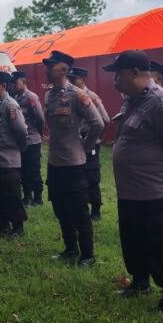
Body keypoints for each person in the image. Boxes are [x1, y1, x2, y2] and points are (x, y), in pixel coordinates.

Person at [103, 50, 163, 312]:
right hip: (131, 192)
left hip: (157, 193)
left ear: (134, 73)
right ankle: (140, 282)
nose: (114, 81)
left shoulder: (162, 103)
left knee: (162, 244)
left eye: (117, 75)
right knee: (134, 241)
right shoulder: (132, 102)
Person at [42, 50, 104, 267]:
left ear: (63, 70)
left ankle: (87, 255)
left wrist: (86, 148)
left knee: (79, 210)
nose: (47, 70)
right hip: (55, 162)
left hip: (74, 163)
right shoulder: (49, 95)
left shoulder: (78, 95)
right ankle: (70, 248)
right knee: (60, 208)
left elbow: (98, 123)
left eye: (51, 67)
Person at [0, 70, 29, 236]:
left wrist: (19, 149)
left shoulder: (11, 105)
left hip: (6, 161)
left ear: (2, 85)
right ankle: (3, 223)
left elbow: (21, 131)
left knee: (11, 196)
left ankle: (18, 227)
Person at [67, 66, 110, 220]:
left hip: (90, 142)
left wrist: (95, 138)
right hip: (76, 142)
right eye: (70, 79)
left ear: (83, 80)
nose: (71, 82)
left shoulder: (91, 97)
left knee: (92, 175)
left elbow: (105, 120)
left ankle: (96, 210)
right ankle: (80, 205)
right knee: (78, 175)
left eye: (74, 80)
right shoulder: (71, 96)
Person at [13, 71, 44, 207]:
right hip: (21, 141)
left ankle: (38, 198)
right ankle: (27, 196)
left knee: (34, 170)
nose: (14, 86)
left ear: (24, 82)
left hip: (32, 140)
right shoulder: (15, 98)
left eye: (16, 83)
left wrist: (38, 133)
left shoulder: (31, 97)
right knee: (23, 170)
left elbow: (40, 118)